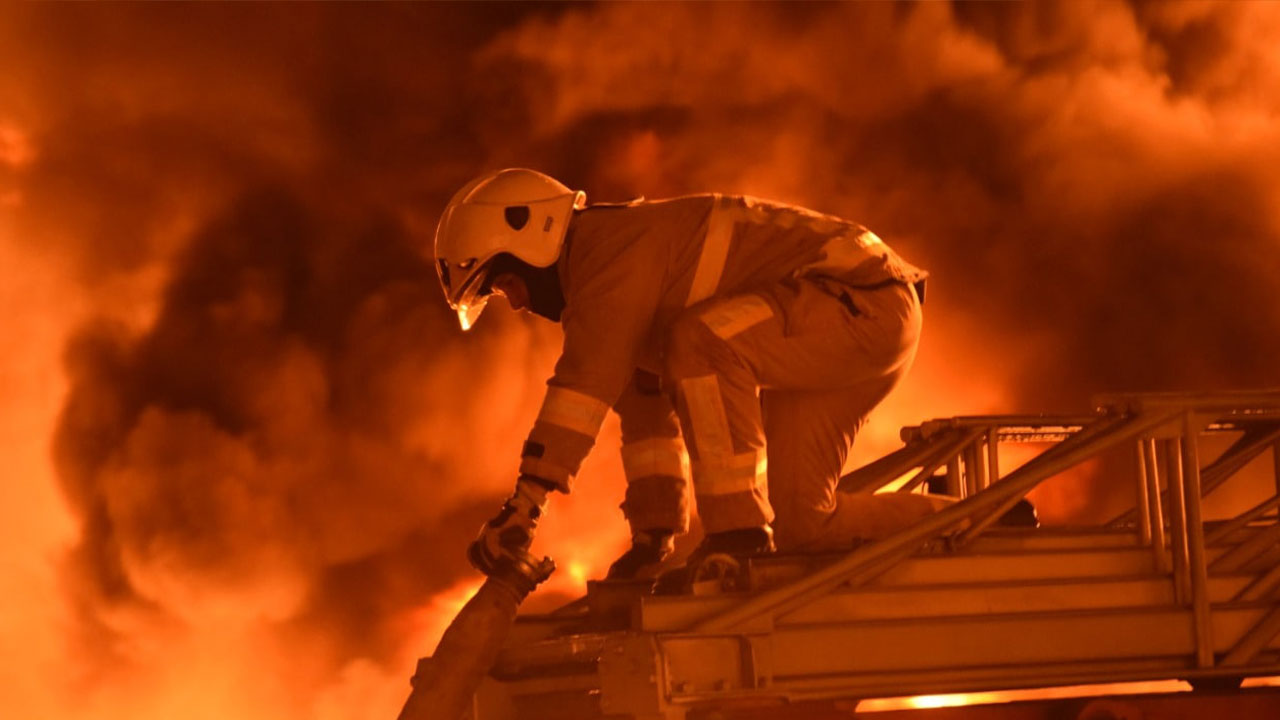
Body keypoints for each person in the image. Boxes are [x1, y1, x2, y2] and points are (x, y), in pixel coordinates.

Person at [434, 168, 945, 591]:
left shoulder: (609, 252)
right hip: (846, 326)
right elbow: (646, 406)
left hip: (864, 301)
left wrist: (524, 505)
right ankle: (972, 520)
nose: (520, 303)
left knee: (703, 342)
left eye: (506, 284)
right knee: (805, 525)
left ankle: (740, 534)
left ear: (531, 233)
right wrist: (653, 540)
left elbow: (584, 384)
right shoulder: (619, 281)